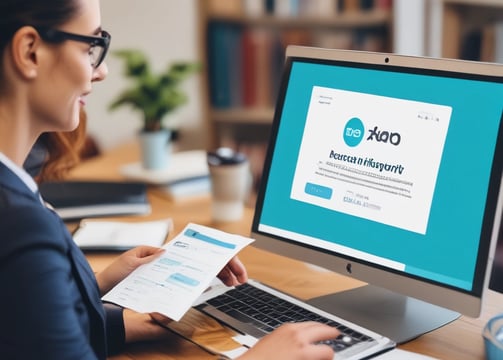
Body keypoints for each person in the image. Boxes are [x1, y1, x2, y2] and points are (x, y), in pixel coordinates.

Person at [0, 1, 339, 359]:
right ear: (30, 52)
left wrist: (103, 296)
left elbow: (16, 321)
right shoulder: (21, 224)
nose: (101, 72)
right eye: (90, 48)